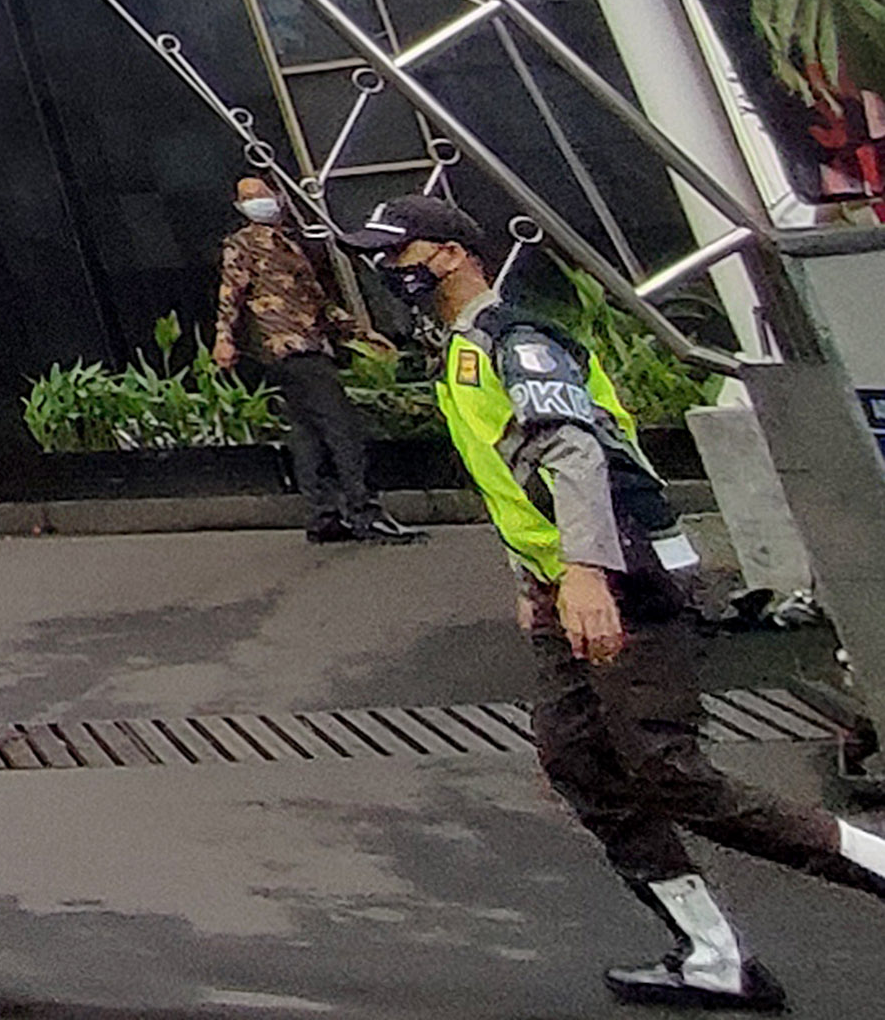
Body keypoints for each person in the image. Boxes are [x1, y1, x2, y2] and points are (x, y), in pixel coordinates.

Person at [334, 192, 885, 1006]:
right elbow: (514, 482)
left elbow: (575, 454)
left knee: (668, 772)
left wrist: (586, 574)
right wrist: (537, 579)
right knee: (580, 762)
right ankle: (710, 952)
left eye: (399, 252)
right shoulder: (457, 350)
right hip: (571, 582)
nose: (386, 268)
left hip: (624, 574)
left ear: (450, 253)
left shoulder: (515, 342)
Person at [207, 173, 415, 543]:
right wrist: (224, 339)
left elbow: (318, 304)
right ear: (239, 207)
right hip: (290, 348)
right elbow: (230, 295)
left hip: (307, 345)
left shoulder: (289, 244)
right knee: (341, 428)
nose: (257, 201)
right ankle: (365, 513)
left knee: (308, 435)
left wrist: (361, 334)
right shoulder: (243, 245)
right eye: (247, 197)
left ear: (277, 195)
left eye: (261, 193)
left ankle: (324, 517)